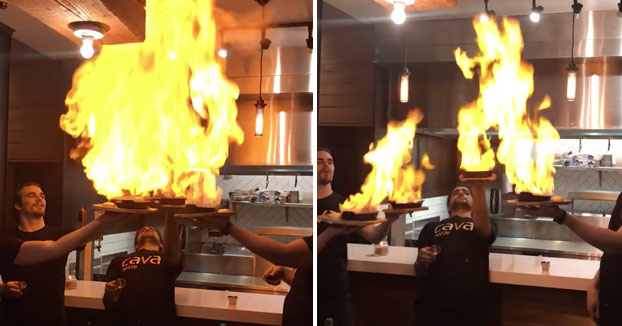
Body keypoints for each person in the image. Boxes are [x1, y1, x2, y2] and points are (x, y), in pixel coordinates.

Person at [195, 214, 354, 326]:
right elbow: (313, 283)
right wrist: (285, 273)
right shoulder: (325, 238)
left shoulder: (326, 239)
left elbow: (281, 254)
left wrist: (228, 227)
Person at [317, 148, 401, 326]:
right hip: (306, 287)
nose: (326, 165)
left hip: (336, 287)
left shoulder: (346, 205)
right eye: (319, 161)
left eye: (330, 162)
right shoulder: (306, 203)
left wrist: (388, 221)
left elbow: (373, 236)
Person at [517, 192, 622, 326]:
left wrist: (561, 216)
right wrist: (596, 283)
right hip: (611, 300)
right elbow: (613, 253)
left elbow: (616, 245)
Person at [0, 182, 85, 326]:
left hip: (52, 318)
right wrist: (2, 290)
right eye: (31, 195)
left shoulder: (61, 235)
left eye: (42, 196)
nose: (39, 199)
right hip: (14, 318)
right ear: (18, 205)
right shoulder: (6, 239)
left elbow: (85, 238)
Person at [414, 182, 496, 326]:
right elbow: (419, 270)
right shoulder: (431, 227)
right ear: (448, 207)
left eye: (466, 192)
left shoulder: (482, 224)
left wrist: (478, 184)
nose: (461, 193)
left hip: (472, 309)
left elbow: (484, 230)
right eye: (455, 192)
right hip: (433, 308)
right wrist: (421, 261)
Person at [103, 212, 182, 326]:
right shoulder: (119, 260)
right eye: (141, 230)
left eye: (152, 229)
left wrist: (170, 212)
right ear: (135, 245)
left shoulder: (166, 258)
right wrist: (110, 292)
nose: (147, 228)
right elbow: (109, 302)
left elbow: (172, 247)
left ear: (161, 244)